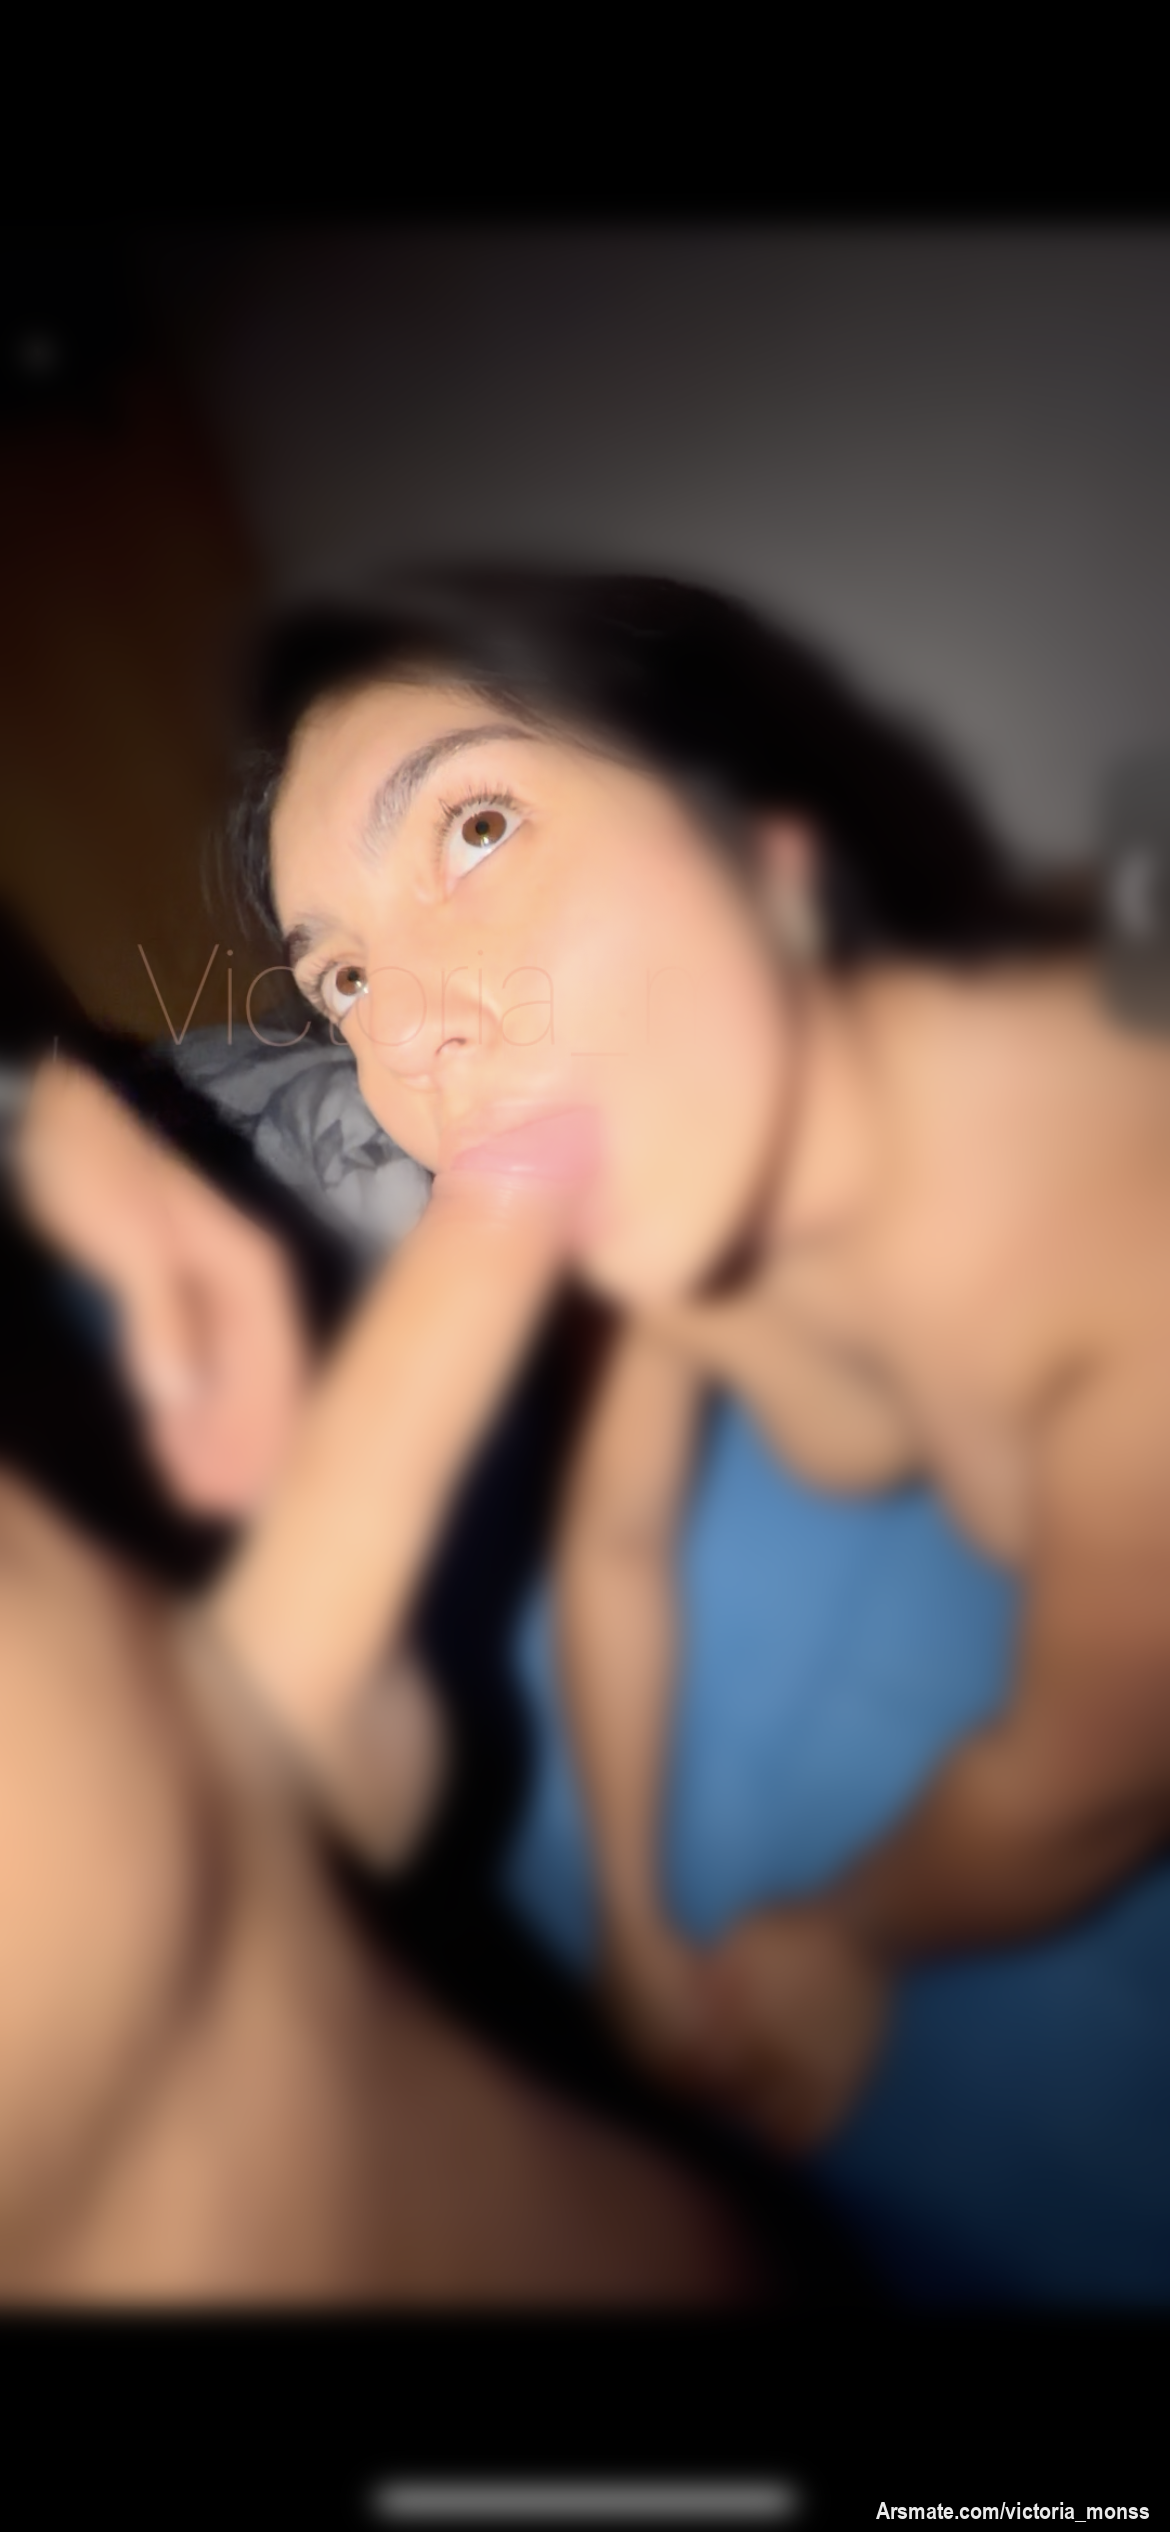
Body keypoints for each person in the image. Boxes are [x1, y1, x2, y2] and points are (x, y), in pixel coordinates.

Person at [22, 562, 1164, 2184]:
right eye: (341, 978)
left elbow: (1064, 1799)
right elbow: (615, 1536)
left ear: (770, 839)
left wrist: (839, 1935)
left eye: (476, 829)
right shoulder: (686, 1155)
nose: (402, 1039)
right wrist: (635, 1922)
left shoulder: (1121, 1228)